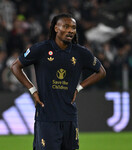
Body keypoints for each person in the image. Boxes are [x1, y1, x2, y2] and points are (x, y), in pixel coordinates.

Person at [11, 13, 106, 150]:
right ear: (56, 28)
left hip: (69, 117)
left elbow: (101, 72)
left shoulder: (80, 52)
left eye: (73, 27)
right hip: (46, 117)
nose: (70, 30)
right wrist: (32, 90)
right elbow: (15, 66)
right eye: (66, 26)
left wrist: (78, 88)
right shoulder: (41, 49)